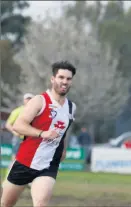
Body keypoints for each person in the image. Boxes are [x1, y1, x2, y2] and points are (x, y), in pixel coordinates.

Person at [1, 61, 77, 207]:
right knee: (5, 203)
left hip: (49, 165)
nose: (64, 82)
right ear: (53, 79)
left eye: (68, 79)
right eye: (61, 77)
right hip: (25, 162)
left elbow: (63, 131)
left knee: (41, 203)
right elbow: (18, 125)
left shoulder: (71, 107)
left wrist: (64, 149)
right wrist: (42, 133)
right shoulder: (39, 101)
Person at [3, 93, 34, 182]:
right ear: (24, 100)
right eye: (27, 99)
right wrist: (14, 132)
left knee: (29, 161)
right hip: (18, 139)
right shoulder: (17, 111)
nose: (28, 101)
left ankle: (27, 181)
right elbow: (8, 124)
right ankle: (7, 179)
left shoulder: (35, 112)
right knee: (15, 160)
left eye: (30, 99)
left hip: (30, 139)